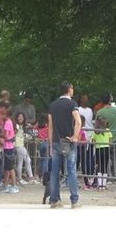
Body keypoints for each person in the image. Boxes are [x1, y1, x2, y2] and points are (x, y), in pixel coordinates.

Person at [47, 80, 82, 209]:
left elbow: (50, 126)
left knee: (55, 171)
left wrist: (50, 143)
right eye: (72, 88)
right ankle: (74, 200)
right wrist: (75, 136)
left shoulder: (53, 105)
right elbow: (78, 121)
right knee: (71, 170)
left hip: (56, 141)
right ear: (69, 89)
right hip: (68, 141)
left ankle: (54, 199)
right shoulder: (72, 104)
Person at [95, 94, 116, 179]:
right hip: (115, 137)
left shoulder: (100, 112)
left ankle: (108, 176)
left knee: (107, 159)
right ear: (110, 100)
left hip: (104, 140)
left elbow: (97, 125)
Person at [13, 111, 35, 185]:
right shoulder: (16, 126)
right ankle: (20, 178)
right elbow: (14, 135)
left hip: (21, 145)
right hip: (18, 145)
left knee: (27, 160)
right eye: (19, 117)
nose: (20, 118)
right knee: (21, 161)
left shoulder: (22, 126)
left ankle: (30, 177)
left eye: (22, 117)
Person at [92, 117, 112, 190]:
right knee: (105, 167)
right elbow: (110, 141)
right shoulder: (108, 131)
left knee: (99, 167)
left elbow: (93, 141)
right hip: (106, 149)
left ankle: (100, 185)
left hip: (98, 149)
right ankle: (104, 185)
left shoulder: (95, 132)